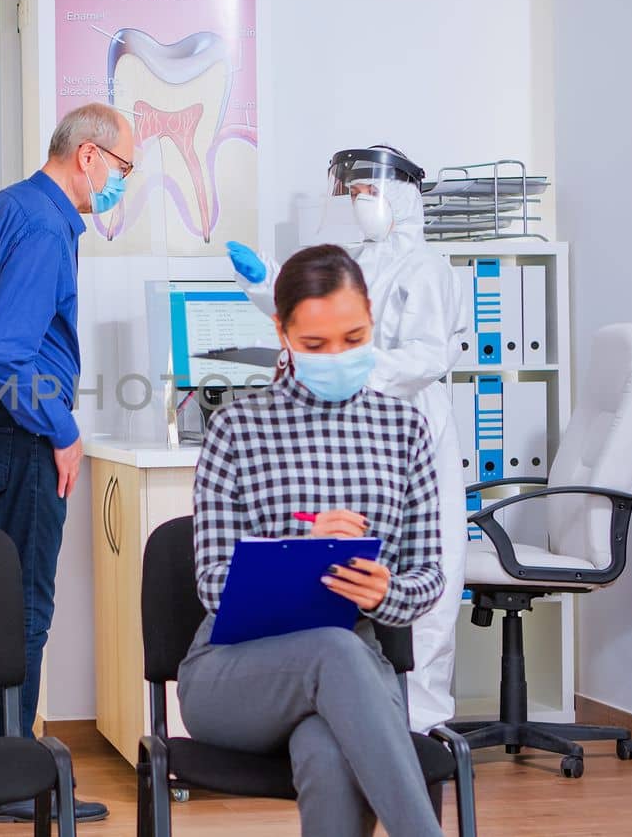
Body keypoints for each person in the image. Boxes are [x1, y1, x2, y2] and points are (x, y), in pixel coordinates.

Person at [181, 244, 446, 837]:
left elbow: (429, 572)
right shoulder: (237, 428)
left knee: (329, 750)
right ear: (282, 332)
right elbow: (212, 584)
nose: (339, 357)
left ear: (372, 318)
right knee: (331, 646)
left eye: (354, 339)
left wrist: (384, 593)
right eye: (316, 345)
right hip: (235, 674)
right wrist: (302, 553)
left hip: (355, 672)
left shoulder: (404, 429)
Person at [226, 145, 467, 734]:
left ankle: (423, 726)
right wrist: (266, 288)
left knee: (422, 574)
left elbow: (429, 356)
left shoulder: (427, 269)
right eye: (355, 195)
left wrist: (353, 364)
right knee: (345, 575)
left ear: (406, 195)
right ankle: (357, 715)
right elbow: (317, 320)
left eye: (371, 194)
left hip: (414, 428)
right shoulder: (360, 263)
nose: (362, 205)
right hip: (357, 431)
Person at [0, 101, 132, 824]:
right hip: (18, 433)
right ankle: (15, 780)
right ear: (88, 155)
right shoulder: (48, 227)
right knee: (22, 609)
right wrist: (60, 429)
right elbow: (4, 352)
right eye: (121, 167)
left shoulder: (5, 209)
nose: (121, 183)